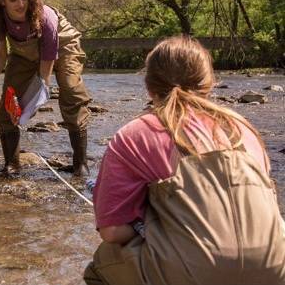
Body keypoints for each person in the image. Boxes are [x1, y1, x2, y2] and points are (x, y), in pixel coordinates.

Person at [84, 36, 285, 285]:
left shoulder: (135, 134)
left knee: (102, 265)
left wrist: (147, 223)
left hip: (196, 272)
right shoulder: (243, 128)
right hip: (275, 263)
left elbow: (112, 232)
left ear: (149, 87)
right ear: (209, 84)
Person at [0, 0, 92, 176]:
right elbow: (0, 55)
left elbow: (46, 69)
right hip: (23, 53)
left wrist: (37, 98)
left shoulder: (44, 16)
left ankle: (81, 164)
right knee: (9, 100)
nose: (20, 4)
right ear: (2, 0)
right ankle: (12, 165)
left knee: (71, 92)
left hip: (62, 45)